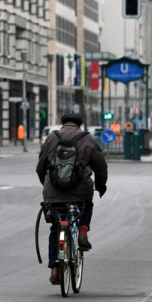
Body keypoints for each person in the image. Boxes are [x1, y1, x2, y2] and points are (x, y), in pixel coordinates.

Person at [36, 112, 108, 285]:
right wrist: (101, 184)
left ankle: (54, 268)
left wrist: (46, 185)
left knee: (56, 227)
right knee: (86, 204)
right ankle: (83, 232)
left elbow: (40, 166)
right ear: (80, 124)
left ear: (63, 123)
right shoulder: (87, 138)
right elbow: (100, 166)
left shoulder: (52, 137)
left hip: (53, 191)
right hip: (80, 190)